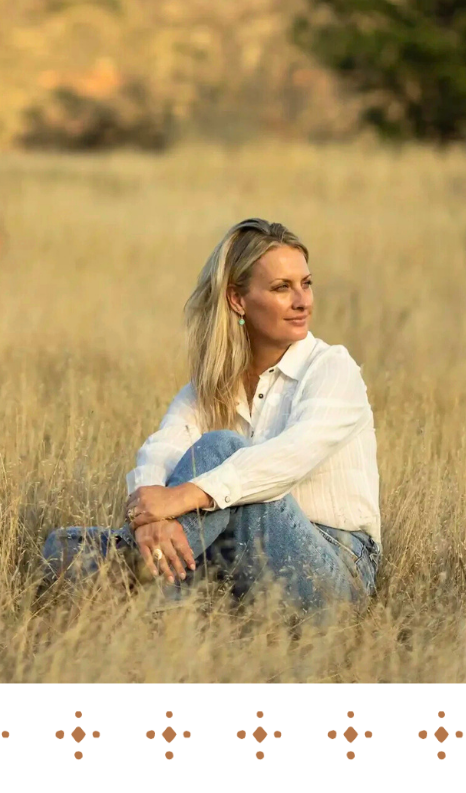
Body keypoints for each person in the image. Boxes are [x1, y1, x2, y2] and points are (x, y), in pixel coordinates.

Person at [41, 218, 381, 612]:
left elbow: (289, 458)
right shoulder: (215, 383)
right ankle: (159, 583)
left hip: (333, 569)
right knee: (62, 546)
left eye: (306, 283)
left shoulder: (332, 368)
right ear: (237, 300)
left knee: (222, 448)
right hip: (238, 553)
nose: (303, 301)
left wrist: (181, 497)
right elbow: (163, 448)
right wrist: (151, 519)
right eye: (282, 288)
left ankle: (141, 582)